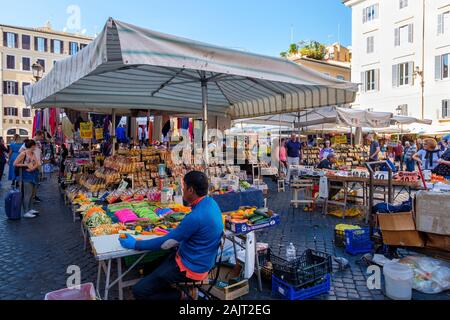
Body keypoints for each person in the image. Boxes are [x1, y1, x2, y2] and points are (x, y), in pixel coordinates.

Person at [119, 171, 224, 300]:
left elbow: (165, 243)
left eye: (183, 187)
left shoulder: (196, 216)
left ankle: (182, 295)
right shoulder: (211, 203)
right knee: (148, 268)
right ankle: (171, 289)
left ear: (190, 190)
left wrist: (136, 244)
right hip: (198, 259)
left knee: (139, 291)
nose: (182, 189)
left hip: (190, 267)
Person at [14, 140, 40, 218]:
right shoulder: (23, 153)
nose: (36, 147)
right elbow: (15, 163)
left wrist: (32, 168)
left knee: (32, 193)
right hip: (26, 175)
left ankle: (30, 208)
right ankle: (26, 211)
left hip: (33, 174)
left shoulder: (33, 153)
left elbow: (37, 163)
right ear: (32, 146)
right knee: (27, 194)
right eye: (35, 145)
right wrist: (26, 165)